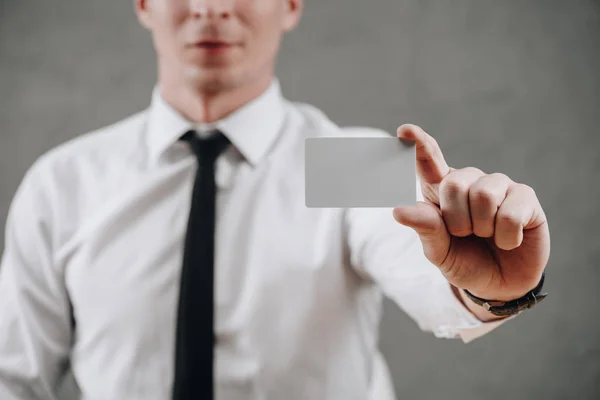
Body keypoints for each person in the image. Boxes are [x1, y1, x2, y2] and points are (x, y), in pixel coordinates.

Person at [0, 1, 551, 399]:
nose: (209, 8)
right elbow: (14, 380)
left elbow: (433, 279)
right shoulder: (64, 183)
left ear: (291, 5)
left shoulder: (347, 161)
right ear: (143, 4)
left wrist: (489, 289)